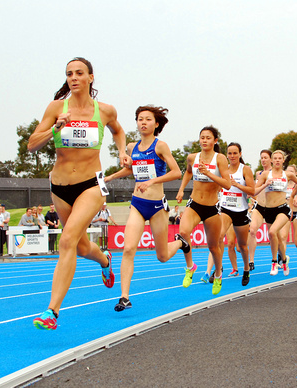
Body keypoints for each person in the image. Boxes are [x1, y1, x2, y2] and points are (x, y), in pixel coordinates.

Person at [28, 57, 129, 330]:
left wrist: (121, 151)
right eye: (69, 74)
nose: (73, 78)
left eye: (79, 73)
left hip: (91, 186)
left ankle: (52, 311)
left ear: (90, 77)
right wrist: (54, 128)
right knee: (82, 247)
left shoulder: (104, 110)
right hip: (59, 188)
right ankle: (105, 260)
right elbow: (31, 145)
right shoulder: (55, 108)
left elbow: (118, 131)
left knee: (67, 240)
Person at [105, 105, 181, 310]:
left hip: (157, 206)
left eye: (148, 119)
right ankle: (124, 297)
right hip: (137, 204)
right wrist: (111, 176)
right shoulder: (132, 147)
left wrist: (153, 181)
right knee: (128, 248)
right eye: (140, 119)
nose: (143, 122)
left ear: (156, 124)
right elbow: (131, 169)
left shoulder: (161, 146)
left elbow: (176, 172)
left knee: (162, 256)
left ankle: (181, 243)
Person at [167, 126, 231, 295]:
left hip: (211, 208)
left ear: (215, 141)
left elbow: (227, 184)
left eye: (208, 138)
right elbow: (188, 172)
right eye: (202, 137)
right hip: (194, 204)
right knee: (183, 232)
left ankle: (217, 275)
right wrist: (181, 189)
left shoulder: (220, 159)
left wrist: (209, 173)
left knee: (213, 247)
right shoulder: (192, 157)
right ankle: (190, 267)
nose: (204, 140)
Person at [201, 142, 255, 286]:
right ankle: (218, 269)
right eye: (229, 153)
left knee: (242, 246)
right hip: (225, 208)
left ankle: (245, 269)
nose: (232, 156)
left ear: (240, 154)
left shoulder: (246, 169)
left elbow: (252, 191)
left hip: (241, 211)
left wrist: (237, 185)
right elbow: (217, 185)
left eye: (235, 153)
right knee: (218, 237)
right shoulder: (222, 169)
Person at [255, 150, 297, 276]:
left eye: (279, 158)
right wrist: (265, 185)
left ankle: (274, 261)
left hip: (283, 208)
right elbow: (254, 191)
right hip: (268, 210)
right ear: (271, 160)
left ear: (283, 160)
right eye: (275, 158)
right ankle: (284, 260)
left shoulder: (288, 174)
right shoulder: (265, 175)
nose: (277, 160)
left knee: (272, 232)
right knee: (277, 238)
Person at [247, 150, 272, 271]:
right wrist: (250, 193)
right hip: (259, 206)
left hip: (272, 207)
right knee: (252, 230)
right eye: (261, 157)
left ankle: (279, 257)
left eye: (265, 157)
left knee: (273, 235)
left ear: (271, 159)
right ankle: (251, 261)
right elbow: (255, 189)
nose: (263, 160)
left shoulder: (276, 173)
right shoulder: (258, 174)